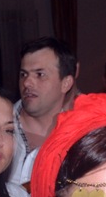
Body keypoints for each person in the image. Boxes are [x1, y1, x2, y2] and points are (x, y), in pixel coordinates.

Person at [12, 36, 79, 184]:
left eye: (40, 75)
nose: (27, 83)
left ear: (66, 83)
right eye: (23, 74)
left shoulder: (80, 136)